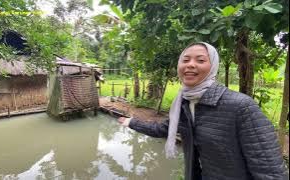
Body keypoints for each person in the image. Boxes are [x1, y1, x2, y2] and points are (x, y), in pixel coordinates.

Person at [118, 42, 288, 180]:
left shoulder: (241, 106)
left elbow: (269, 170)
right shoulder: (183, 103)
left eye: (200, 60)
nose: (190, 65)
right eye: (185, 60)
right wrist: (131, 122)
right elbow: (164, 129)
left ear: (213, 66)